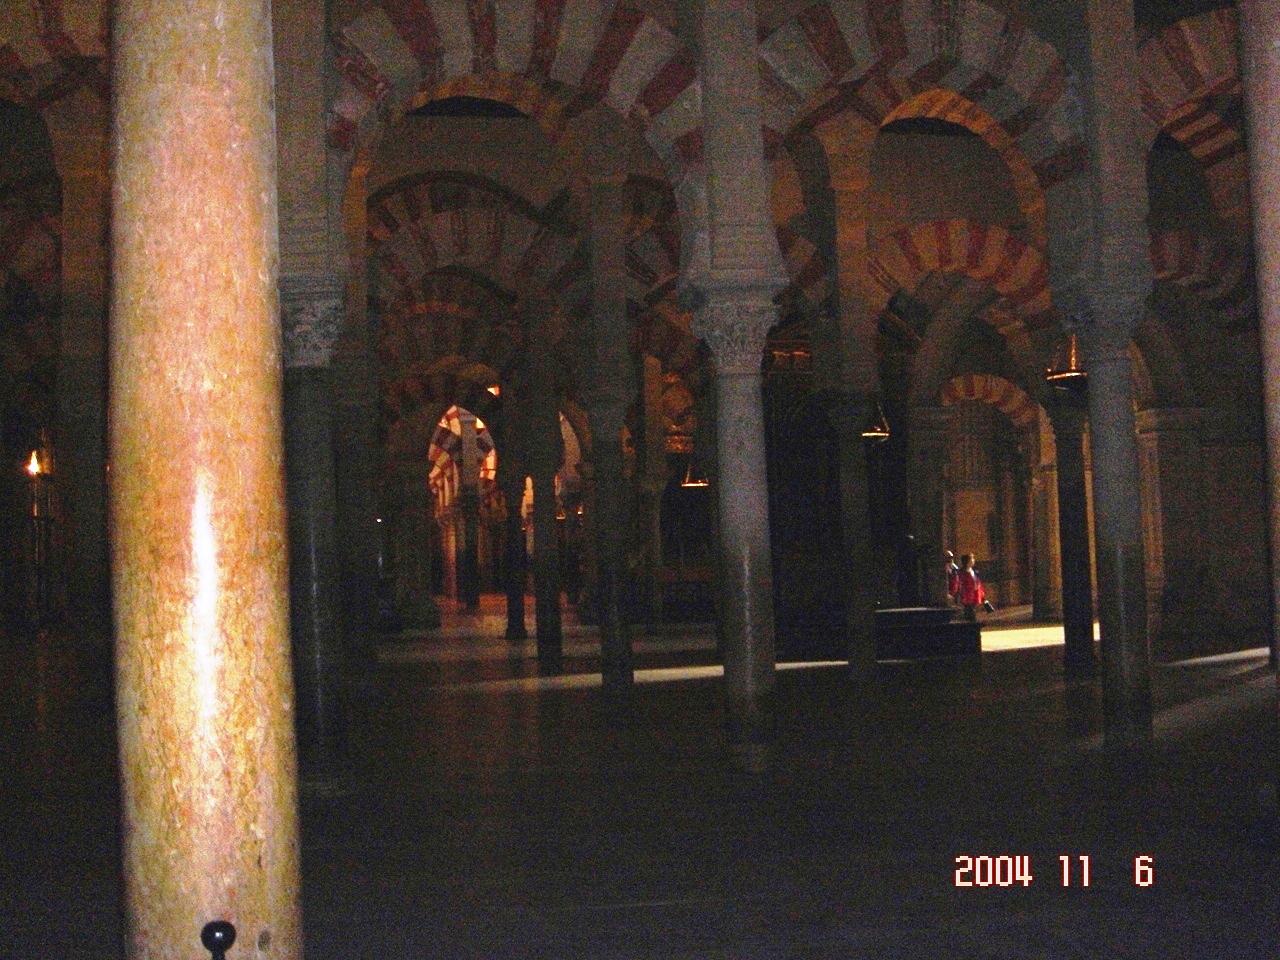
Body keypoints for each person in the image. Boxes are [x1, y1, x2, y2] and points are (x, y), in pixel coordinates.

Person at [955, 554, 986, 622]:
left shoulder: (974, 571)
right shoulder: (961, 572)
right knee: (970, 613)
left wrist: (982, 595)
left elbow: (978, 583)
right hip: (967, 597)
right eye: (972, 559)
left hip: (975, 595)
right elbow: (960, 585)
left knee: (972, 612)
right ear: (967, 561)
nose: (973, 560)